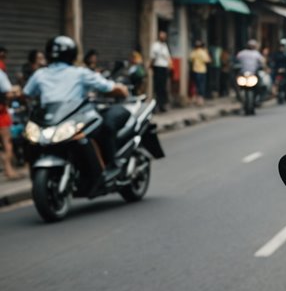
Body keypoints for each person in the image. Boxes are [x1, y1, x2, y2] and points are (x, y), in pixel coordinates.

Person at [22, 36, 129, 178]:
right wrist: (121, 89)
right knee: (31, 139)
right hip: (53, 121)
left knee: (97, 130)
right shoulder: (80, 73)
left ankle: (110, 166)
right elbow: (109, 87)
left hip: (75, 119)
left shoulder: (40, 74)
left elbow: (26, 94)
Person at [0, 63, 21, 180]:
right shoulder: (0, 73)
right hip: (1, 113)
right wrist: (16, 91)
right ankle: (9, 170)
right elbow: (8, 91)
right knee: (7, 143)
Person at [151, 31, 172, 112]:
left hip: (164, 68)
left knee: (163, 87)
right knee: (158, 87)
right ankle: (156, 105)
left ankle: (162, 105)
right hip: (158, 68)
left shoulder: (164, 45)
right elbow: (153, 57)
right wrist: (150, 66)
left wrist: (169, 66)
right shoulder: (156, 45)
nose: (164, 37)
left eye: (165, 36)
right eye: (162, 36)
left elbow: (167, 57)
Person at [189, 40, 211, 106]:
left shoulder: (194, 52)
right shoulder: (203, 52)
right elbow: (208, 60)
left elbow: (190, 59)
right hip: (202, 70)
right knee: (201, 85)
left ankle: (196, 98)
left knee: (196, 84)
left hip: (195, 70)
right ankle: (200, 99)